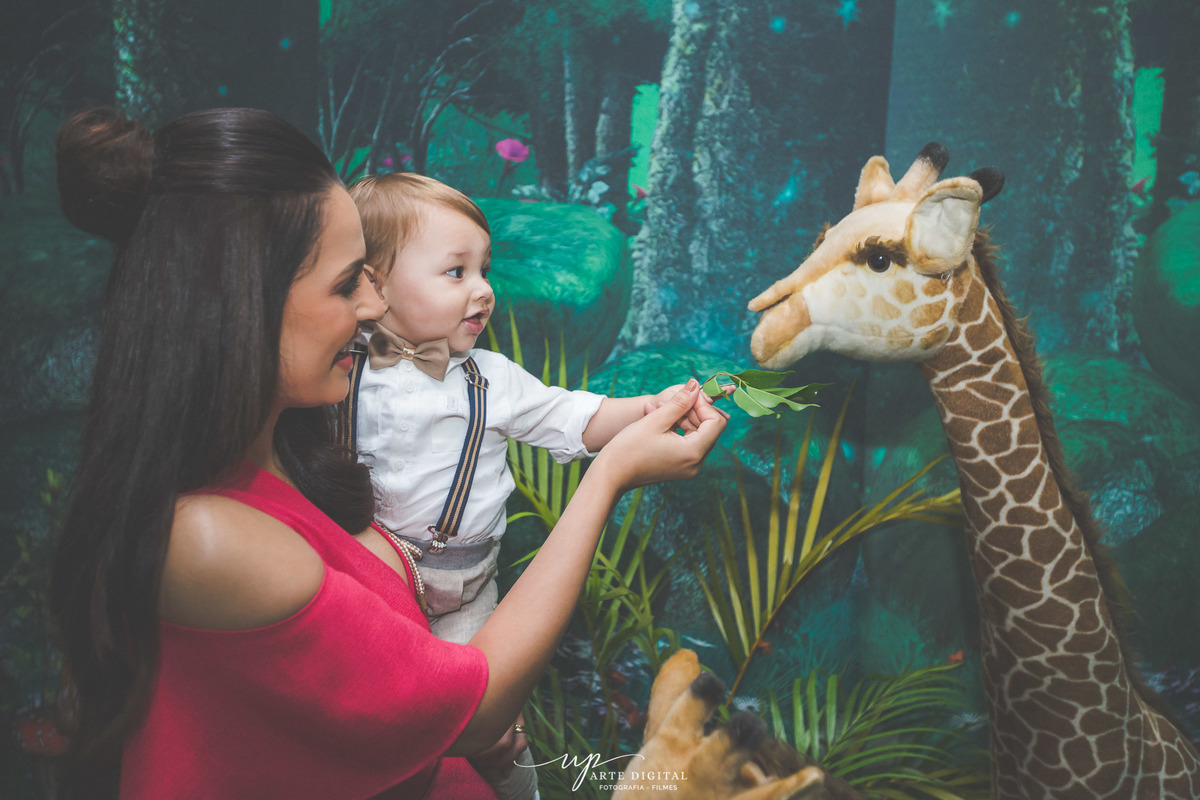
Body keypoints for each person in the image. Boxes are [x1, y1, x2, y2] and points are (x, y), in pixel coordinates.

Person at [49, 105, 725, 800]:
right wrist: (608, 476)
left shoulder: (287, 460)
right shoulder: (209, 537)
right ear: (243, 303)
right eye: (349, 282)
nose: (374, 309)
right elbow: (475, 708)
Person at [346, 173, 725, 800]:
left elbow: (570, 416)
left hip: (468, 594)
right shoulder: (342, 370)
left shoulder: (492, 377)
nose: (483, 289)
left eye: (485, 269)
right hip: (378, 589)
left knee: (495, 733)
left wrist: (648, 408)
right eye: (456, 272)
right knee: (389, 732)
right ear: (373, 284)